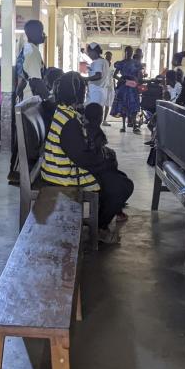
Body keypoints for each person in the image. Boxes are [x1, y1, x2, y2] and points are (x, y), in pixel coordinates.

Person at [40, 72, 134, 244]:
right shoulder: (68, 121)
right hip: (64, 176)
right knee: (122, 186)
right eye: (83, 90)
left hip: (60, 168)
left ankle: (100, 220)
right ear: (76, 93)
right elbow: (82, 158)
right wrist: (104, 161)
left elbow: (81, 152)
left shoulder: (64, 111)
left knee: (117, 178)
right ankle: (98, 227)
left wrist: (103, 158)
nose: (85, 94)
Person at [8, 20, 50, 184]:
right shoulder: (32, 51)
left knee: (22, 140)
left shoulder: (26, 49)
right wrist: (50, 99)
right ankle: (24, 176)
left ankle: (17, 173)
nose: (43, 34)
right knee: (29, 142)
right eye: (41, 30)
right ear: (31, 32)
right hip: (30, 102)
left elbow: (24, 79)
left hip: (24, 101)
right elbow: (35, 81)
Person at [112, 46, 143, 133]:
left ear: (132, 52)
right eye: (127, 51)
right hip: (124, 86)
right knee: (123, 105)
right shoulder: (121, 63)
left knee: (133, 105)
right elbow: (114, 75)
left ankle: (134, 125)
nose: (129, 53)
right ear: (125, 52)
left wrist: (137, 80)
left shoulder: (136, 63)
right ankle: (123, 126)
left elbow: (139, 74)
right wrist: (121, 79)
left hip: (132, 86)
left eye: (130, 51)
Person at [84, 43, 109, 108]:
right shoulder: (105, 61)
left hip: (96, 92)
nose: (89, 55)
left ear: (94, 52)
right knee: (98, 113)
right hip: (102, 92)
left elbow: (98, 75)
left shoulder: (97, 62)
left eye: (89, 53)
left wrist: (85, 79)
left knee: (92, 113)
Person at [103, 51, 116, 124]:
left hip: (110, 88)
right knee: (101, 104)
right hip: (102, 87)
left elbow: (113, 77)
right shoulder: (102, 65)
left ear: (111, 57)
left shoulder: (113, 66)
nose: (108, 57)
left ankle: (104, 120)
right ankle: (99, 120)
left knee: (107, 105)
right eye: (107, 56)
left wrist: (115, 87)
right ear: (105, 57)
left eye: (109, 56)